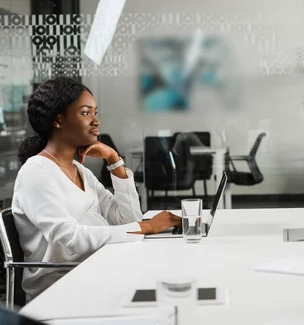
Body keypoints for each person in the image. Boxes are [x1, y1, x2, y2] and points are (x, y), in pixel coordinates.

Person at [12, 77, 181, 301]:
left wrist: (115, 162)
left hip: (96, 270)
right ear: (59, 120)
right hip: (60, 289)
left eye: (95, 112)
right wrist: (147, 227)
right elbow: (72, 238)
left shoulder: (81, 171)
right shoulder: (36, 172)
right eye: (85, 113)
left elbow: (127, 219)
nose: (96, 121)